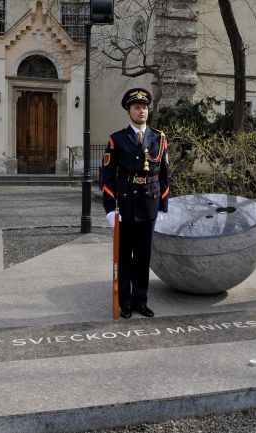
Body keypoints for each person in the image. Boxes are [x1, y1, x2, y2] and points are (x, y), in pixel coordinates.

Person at [100, 88, 170, 319]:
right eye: (137, 107)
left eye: (145, 107)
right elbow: (107, 178)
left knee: (144, 257)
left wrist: (162, 206)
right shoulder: (117, 139)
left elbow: (164, 176)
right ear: (129, 111)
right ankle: (126, 302)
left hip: (149, 205)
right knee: (126, 257)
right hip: (127, 206)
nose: (142, 111)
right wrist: (110, 210)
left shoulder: (159, 138)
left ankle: (141, 300)